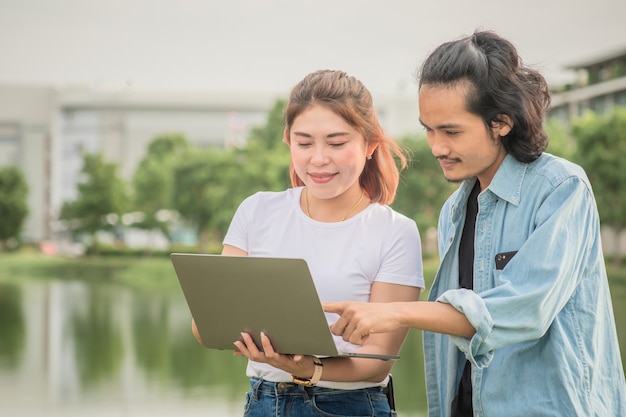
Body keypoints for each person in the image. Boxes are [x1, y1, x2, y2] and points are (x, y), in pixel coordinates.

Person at [324, 30, 626, 417]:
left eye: (451, 131)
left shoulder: (561, 189)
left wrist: (395, 312)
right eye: (429, 130)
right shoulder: (454, 208)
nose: (436, 147)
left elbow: (524, 309)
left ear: (500, 123)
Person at [191, 69, 424, 416]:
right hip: (262, 402)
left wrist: (308, 369)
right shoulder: (256, 211)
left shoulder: (395, 232)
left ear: (370, 144)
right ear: (288, 141)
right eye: (304, 143)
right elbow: (208, 324)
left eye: (336, 142)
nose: (318, 158)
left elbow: (378, 362)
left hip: (347, 405)